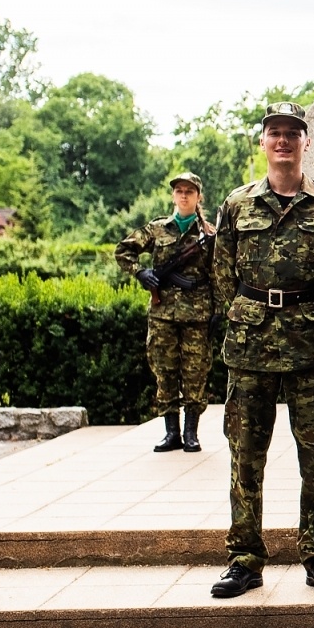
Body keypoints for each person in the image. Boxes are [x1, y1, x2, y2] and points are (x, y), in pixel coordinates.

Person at [209, 102, 314, 599]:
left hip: (310, 344)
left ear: (306, 142)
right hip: (250, 348)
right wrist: (245, 315)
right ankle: (244, 560)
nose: (283, 141)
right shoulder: (237, 205)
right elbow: (222, 275)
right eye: (275, 133)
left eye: (293, 133)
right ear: (264, 141)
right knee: (245, 457)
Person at [116, 172, 216, 454]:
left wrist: (218, 310)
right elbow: (124, 251)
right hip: (163, 314)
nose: (183, 195)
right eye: (179, 191)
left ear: (198, 197)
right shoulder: (158, 229)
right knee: (165, 371)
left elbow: (219, 274)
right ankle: (171, 432)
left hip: (197, 314)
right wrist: (141, 272)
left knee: (195, 374)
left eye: (189, 191)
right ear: (173, 196)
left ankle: (191, 433)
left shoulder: (208, 235)